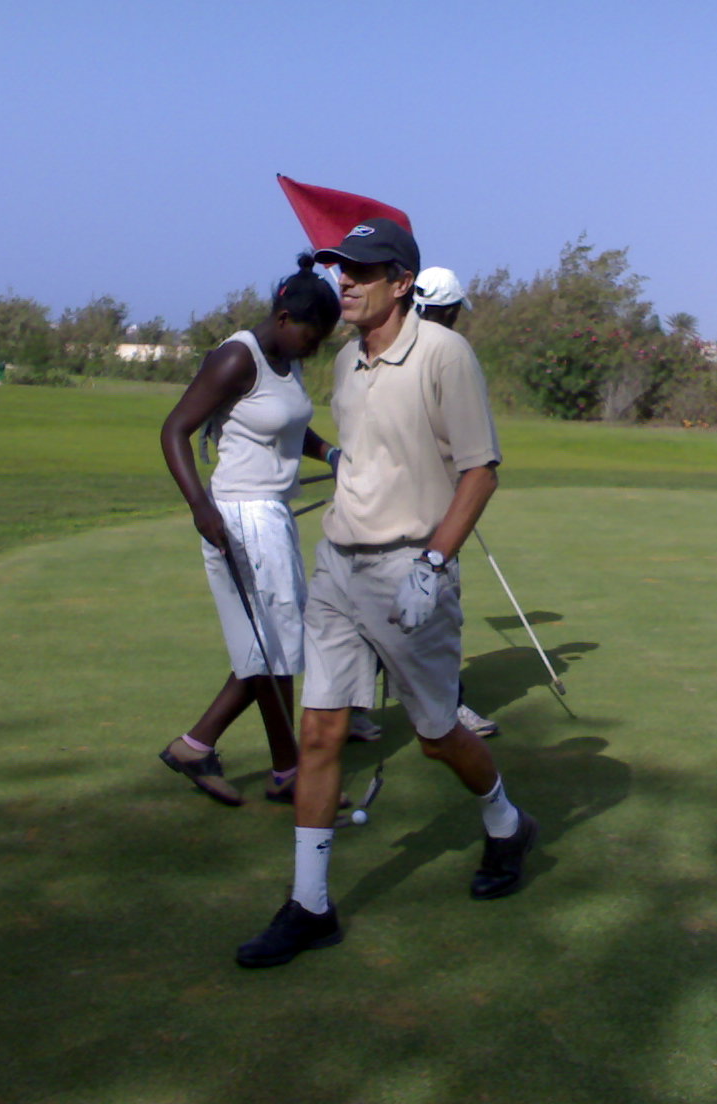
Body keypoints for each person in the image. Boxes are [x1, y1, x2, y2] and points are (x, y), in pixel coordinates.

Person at [236, 219, 537, 968]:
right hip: (338, 566)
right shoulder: (343, 362)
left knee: (437, 736)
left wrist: (434, 564)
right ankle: (310, 906)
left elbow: (481, 470)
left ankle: (505, 821)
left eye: (364, 272)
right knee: (320, 735)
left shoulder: (444, 353)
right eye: (343, 269)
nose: (346, 282)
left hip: (409, 568)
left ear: (402, 282)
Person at [158, 255, 341, 807]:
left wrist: (330, 451)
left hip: (269, 512)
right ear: (284, 316)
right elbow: (175, 430)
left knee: (265, 646)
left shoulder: (287, 358)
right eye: (313, 334)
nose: (317, 346)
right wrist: (199, 506)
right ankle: (288, 768)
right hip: (240, 515)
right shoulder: (239, 356)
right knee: (276, 645)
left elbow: (288, 422)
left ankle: (196, 747)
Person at [414, 265, 498, 738]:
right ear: (447, 310)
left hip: (391, 501)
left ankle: (356, 711)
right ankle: (450, 708)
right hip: (430, 507)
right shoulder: (450, 354)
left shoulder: (386, 346)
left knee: (374, 603)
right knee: (437, 604)